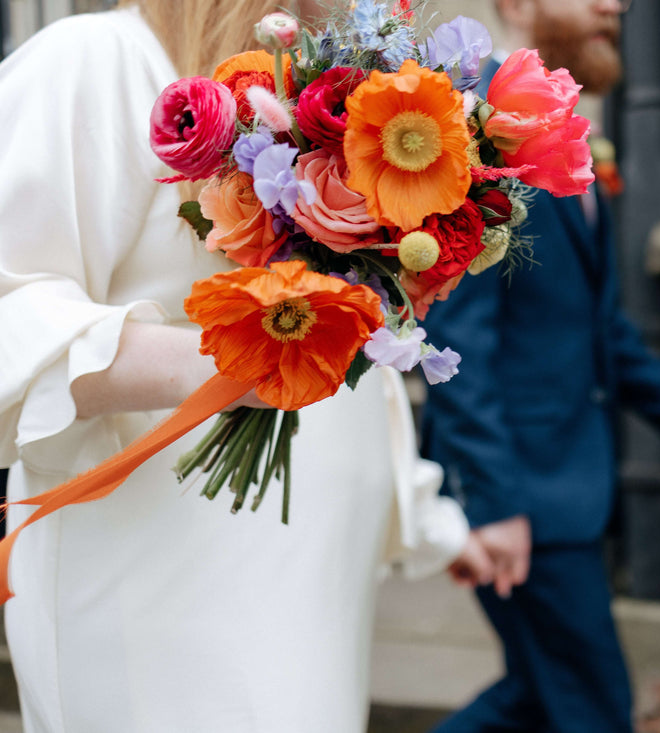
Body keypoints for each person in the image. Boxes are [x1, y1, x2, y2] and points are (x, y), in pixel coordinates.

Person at [0, 1, 494, 731]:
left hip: (313, 572)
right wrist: (229, 359)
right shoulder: (94, 61)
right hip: (158, 575)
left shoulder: (329, 89)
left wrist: (433, 521)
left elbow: (358, 367)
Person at [419, 0, 660, 730]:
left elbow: (598, 328)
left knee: (540, 699)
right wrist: (495, 502)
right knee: (593, 706)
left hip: (565, 490)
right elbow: (460, 343)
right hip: (522, 497)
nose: (614, 4)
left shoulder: (568, 143)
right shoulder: (474, 135)